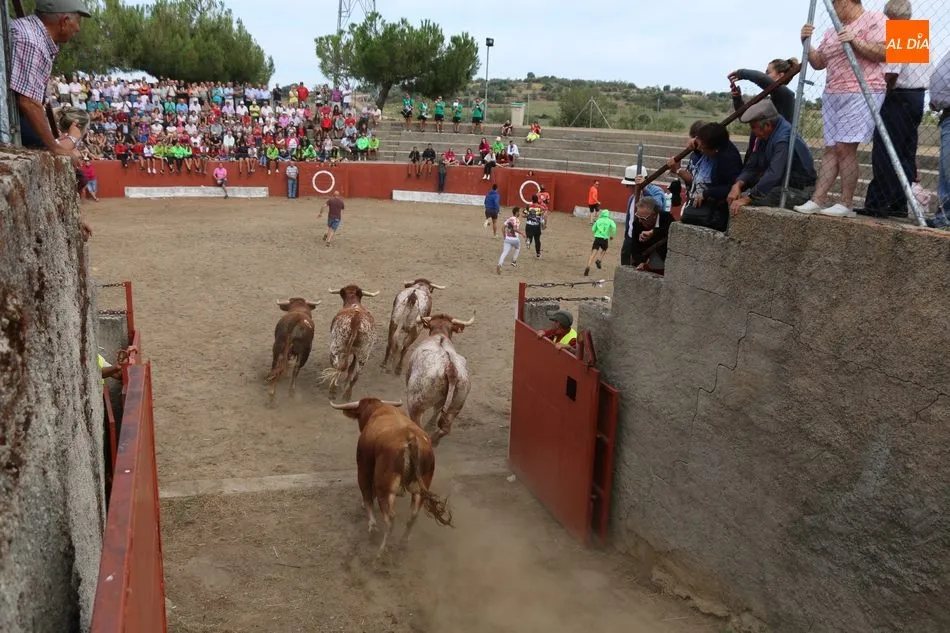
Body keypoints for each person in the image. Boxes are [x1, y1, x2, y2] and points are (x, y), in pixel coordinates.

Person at [796, 0, 887, 218]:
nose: (833, 9)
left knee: (845, 148)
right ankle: (817, 199)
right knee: (831, 148)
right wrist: (806, 43)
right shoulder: (831, 30)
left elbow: (885, 51)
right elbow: (819, 63)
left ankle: (846, 203)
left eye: (835, 4)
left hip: (862, 89)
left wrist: (855, 40)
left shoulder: (875, 19)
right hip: (833, 91)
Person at [11, 0, 92, 239]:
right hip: (15, 117)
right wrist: (57, 146)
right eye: (78, 21)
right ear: (64, 21)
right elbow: (27, 102)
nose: (78, 29)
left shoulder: (32, 35)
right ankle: (69, 222)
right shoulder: (32, 41)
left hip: (16, 115)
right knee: (73, 167)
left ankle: (71, 219)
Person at [859, 0, 932, 218]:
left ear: (889, 16)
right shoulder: (918, 34)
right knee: (906, 154)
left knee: (884, 150)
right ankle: (899, 202)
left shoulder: (900, 33)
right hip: (917, 96)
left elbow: (892, 72)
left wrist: (883, 92)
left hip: (898, 97)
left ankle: (878, 202)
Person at [728, 100, 817, 216]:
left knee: (751, 200)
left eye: (753, 127)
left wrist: (748, 198)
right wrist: (738, 184)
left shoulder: (783, 139)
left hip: (798, 190)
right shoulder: (764, 135)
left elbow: (774, 173)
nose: (753, 132)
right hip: (780, 184)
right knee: (736, 194)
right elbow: (752, 165)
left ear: (768, 125)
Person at [728, 58, 798, 164]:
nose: (765, 76)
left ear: (781, 76)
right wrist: (737, 99)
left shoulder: (787, 96)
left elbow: (761, 78)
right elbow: (744, 117)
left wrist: (742, 73)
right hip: (755, 161)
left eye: (768, 73)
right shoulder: (768, 101)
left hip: (769, 163)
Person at [679, 122, 743, 232]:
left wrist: (707, 193)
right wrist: (694, 144)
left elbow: (731, 187)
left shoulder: (728, 160)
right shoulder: (714, 143)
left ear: (715, 149)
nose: (700, 149)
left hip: (717, 211)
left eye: (702, 148)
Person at [926, 50, 950, 229]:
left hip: (902, 93)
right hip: (909, 94)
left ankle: (886, 203)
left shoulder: (904, 26)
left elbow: (897, 71)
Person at [621, 197, 673, 274]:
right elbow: (634, 248)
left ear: (654, 215)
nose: (640, 221)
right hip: (646, 260)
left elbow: (671, 230)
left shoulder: (666, 217)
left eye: (643, 218)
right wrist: (641, 261)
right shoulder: (637, 224)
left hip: (665, 259)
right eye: (638, 217)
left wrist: (653, 232)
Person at [584, 209, 616, 277]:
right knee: (604, 249)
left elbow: (593, 229)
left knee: (592, 254)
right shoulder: (610, 221)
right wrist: (612, 236)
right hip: (604, 239)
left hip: (597, 238)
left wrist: (596, 232)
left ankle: (588, 267)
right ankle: (599, 260)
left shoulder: (598, 220)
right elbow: (614, 227)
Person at [497, 207, 525, 274]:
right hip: (515, 239)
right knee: (518, 247)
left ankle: (499, 264)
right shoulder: (517, 220)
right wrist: (522, 233)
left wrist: (504, 236)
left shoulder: (509, 219)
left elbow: (502, 228)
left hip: (507, 239)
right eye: (519, 212)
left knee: (504, 252)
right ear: (516, 212)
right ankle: (514, 261)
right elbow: (515, 229)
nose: (519, 213)